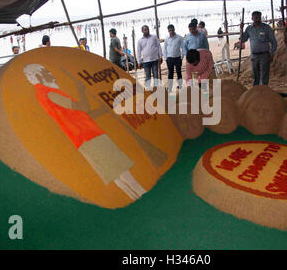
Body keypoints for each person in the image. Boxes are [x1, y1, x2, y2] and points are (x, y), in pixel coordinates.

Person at [23, 63, 146, 200]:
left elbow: (77, 116)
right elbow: (83, 107)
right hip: (90, 137)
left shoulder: (45, 94)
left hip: (84, 138)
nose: (51, 75)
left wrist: (102, 111)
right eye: (46, 72)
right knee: (121, 170)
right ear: (38, 76)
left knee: (115, 174)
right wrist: (81, 90)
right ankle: (143, 195)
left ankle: (136, 198)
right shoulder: (49, 93)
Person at [238, 11, 277, 86]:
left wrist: (272, 53)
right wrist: (241, 29)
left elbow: (274, 42)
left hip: (264, 55)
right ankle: (255, 91)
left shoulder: (266, 28)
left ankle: (263, 91)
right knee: (255, 75)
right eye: (255, 17)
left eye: (258, 17)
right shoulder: (249, 28)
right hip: (254, 56)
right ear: (252, 18)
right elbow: (243, 39)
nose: (257, 19)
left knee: (264, 75)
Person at [137, 25, 163, 89]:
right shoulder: (140, 40)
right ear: (142, 31)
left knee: (155, 75)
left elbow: (158, 46)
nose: (146, 31)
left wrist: (160, 56)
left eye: (147, 29)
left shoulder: (154, 37)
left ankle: (156, 88)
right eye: (145, 30)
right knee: (148, 76)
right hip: (146, 61)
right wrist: (139, 62)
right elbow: (138, 52)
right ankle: (148, 89)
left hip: (155, 60)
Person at [164, 24, 184, 92]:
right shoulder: (167, 38)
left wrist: (181, 57)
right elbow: (165, 49)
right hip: (169, 59)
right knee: (170, 73)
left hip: (178, 58)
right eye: (169, 30)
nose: (171, 31)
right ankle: (170, 87)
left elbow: (183, 48)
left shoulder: (179, 37)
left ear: (174, 29)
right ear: (168, 31)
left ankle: (180, 86)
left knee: (179, 72)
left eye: (172, 30)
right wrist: (166, 58)